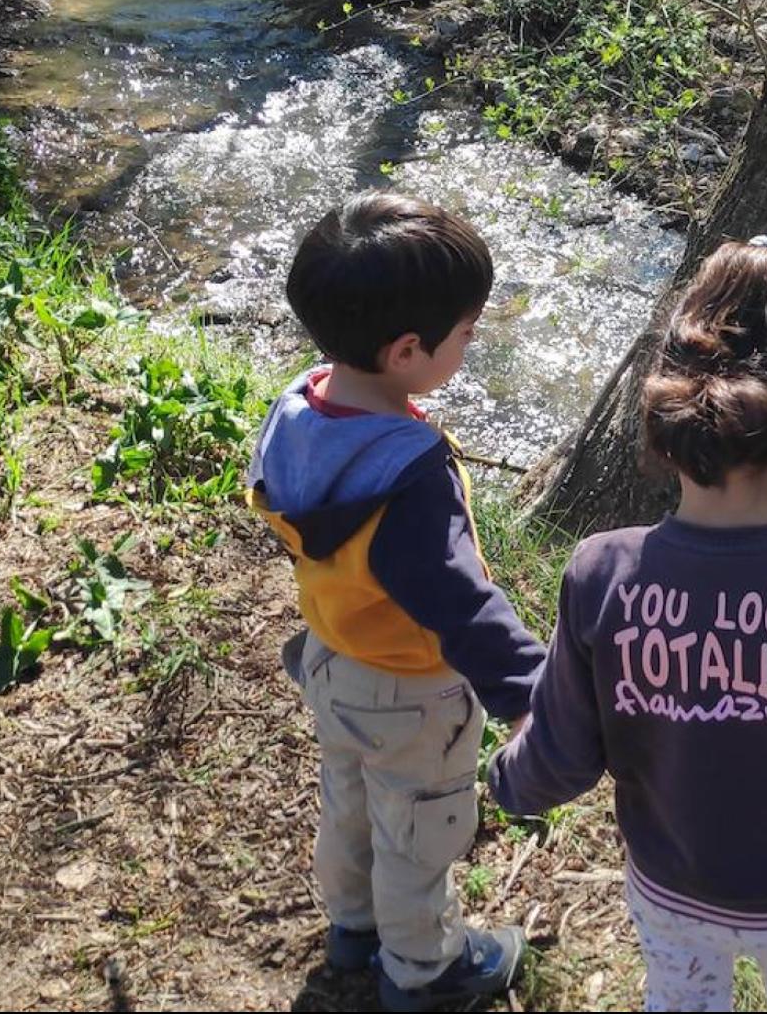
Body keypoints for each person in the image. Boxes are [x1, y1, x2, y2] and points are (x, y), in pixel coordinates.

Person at [488, 238, 767, 1011]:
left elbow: (564, 751)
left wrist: (508, 780)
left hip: (669, 888)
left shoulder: (601, 571)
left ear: (667, 419)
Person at [247, 192, 545, 1012]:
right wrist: (529, 690)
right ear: (408, 348)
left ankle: (352, 926)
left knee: (347, 801)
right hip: (412, 689)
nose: (470, 342)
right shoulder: (407, 475)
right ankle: (426, 970)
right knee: (419, 830)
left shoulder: (300, 406)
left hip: (332, 660)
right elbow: (457, 600)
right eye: (465, 333)